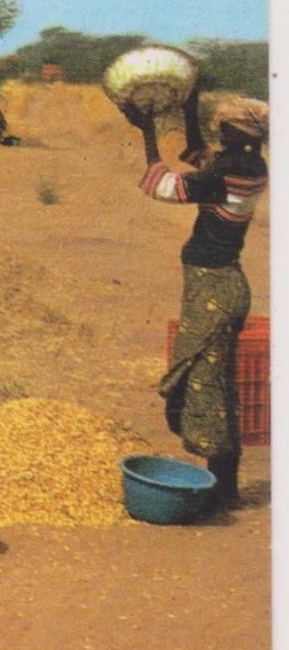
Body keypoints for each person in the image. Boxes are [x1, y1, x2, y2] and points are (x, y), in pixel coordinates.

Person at [124, 88, 268, 506]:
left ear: (236, 134)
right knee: (210, 384)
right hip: (218, 285)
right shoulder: (245, 164)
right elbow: (192, 152)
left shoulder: (231, 172)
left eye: (221, 127)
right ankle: (225, 487)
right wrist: (188, 106)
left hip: (215, 287)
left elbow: (161, 185)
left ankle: (223, 491)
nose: (215, 133)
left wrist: (147, 130)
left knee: (209, 387)